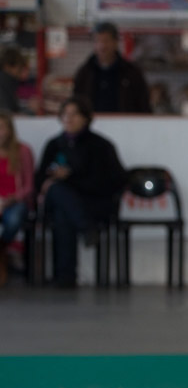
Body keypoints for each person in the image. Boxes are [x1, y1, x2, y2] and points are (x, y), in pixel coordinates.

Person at [35, 97, 127, 288]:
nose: (69, 119)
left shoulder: (101, 145)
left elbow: (115, 180)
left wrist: (72, 178)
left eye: (74, 114)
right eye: (65, 115)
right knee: (57, 192)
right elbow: (40, 178)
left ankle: (65, 277)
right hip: (67, 203)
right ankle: (86, 229)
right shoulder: (54, 144)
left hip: (94, 202)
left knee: (63, 212)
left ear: (85, 118)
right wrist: (55, 178)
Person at [72, 22, 151, 114]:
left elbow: (144, 105)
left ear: (115, 42)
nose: (102, 46)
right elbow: (76, 104)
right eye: (97, 41)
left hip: (125, 125)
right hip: (92, 124)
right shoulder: (84, 73)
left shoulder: (131, 72)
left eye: (106, 41)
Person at [0, 111, 34, 286]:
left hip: (16, 201)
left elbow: (29, 186)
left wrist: (12, 199)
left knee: (13, 220)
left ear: (10, 130)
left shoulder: (23, 151)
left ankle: (3, 250)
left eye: (2, 128)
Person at [0, 47, 28, 113]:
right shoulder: (5, 82)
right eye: (19, 67)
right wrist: (28, 109)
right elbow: (6, 112)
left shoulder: (8, 82)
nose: (21, 71)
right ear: (7, 66)